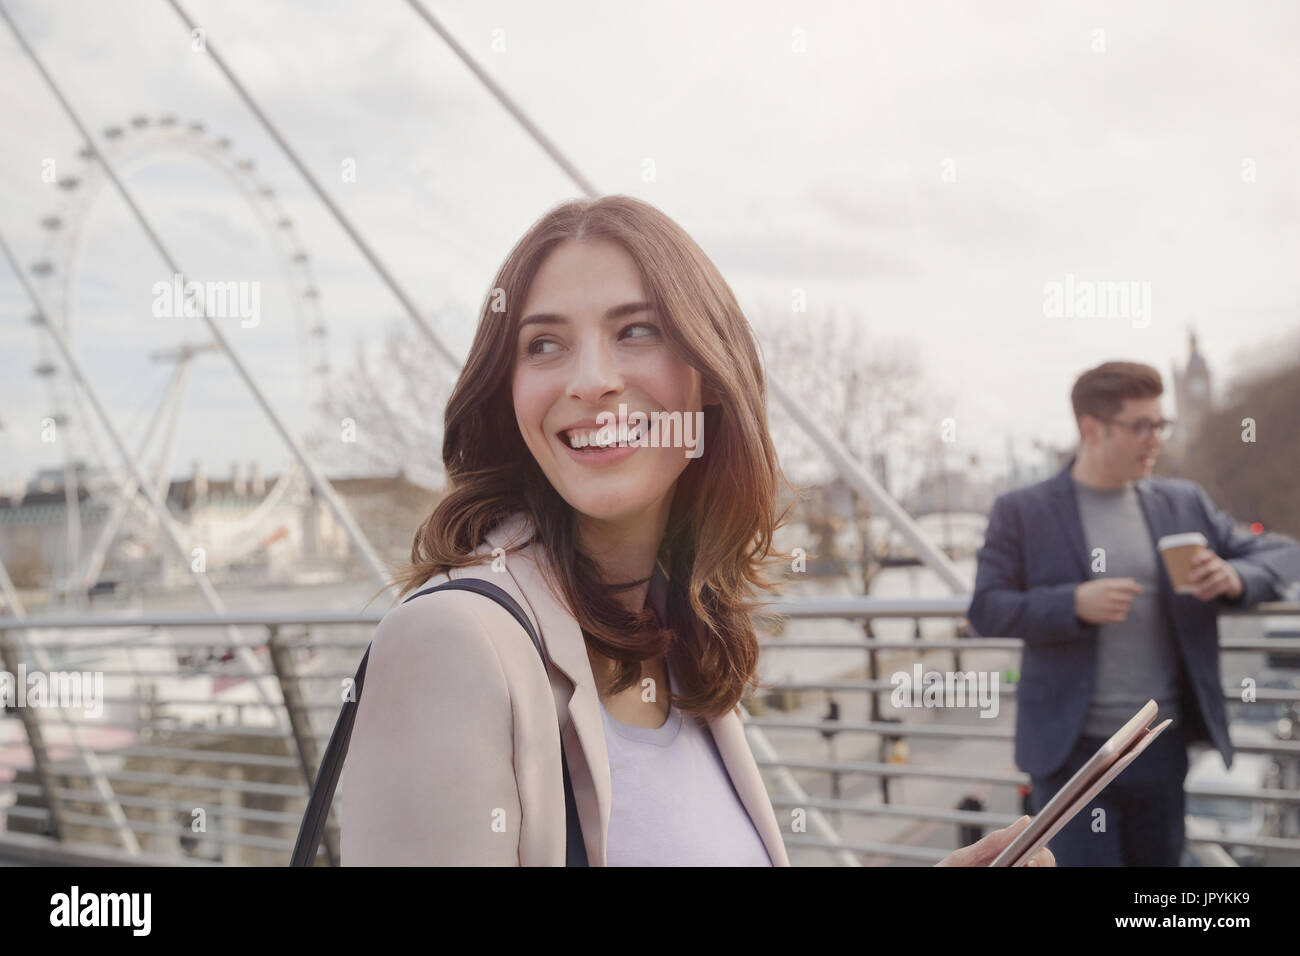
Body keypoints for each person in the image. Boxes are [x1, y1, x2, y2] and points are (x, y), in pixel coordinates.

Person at [341, 194, 1054, 867]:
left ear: (711, 378)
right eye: (544, 345)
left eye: (636, 331)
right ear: (509, 395)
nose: (591, 380)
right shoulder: (451, 644)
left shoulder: (675, 636)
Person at [969, 360, 1300, 866]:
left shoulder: (1182, 501)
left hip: (1157, 747)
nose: (1156, 439)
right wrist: (1072, 604)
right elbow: (986, 609)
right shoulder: (1023, 509)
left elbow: (1282, 553)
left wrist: (1237, 579)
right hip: (1070, 754)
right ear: (1091, 429)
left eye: (1160, 424)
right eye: (1140, 426)